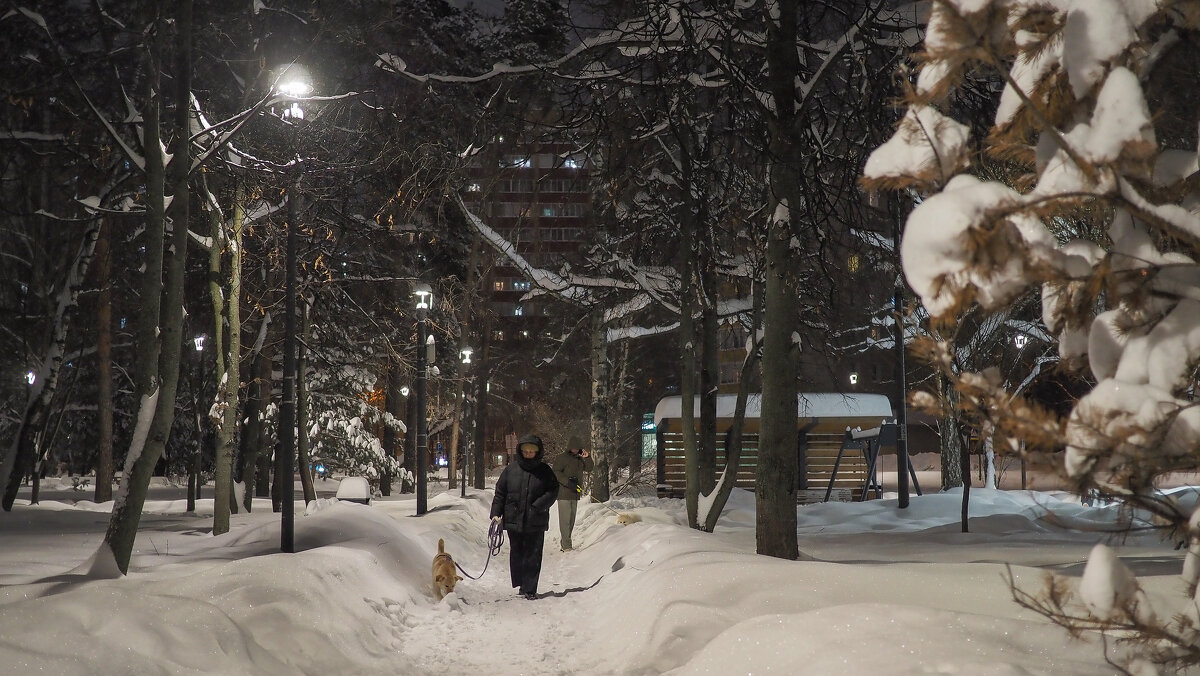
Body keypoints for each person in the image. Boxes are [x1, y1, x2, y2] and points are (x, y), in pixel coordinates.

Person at [491, 433, 558, 600]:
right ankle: (522, 583)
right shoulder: (510, 470)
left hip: (536, 520)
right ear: (520, 451)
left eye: (532, 451)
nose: (528, 454)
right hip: (513, 519)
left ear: (538, 452)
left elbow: (553, 491)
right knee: (517, 554)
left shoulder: (545, 471)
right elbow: (500, 493)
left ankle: (530, 588)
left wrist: (538, 506)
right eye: (525, 451)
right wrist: (495, 513)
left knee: (533, 555)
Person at [551, 435, 594, 551]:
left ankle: (566, 542)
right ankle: (566, 545)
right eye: (573, 448)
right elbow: (555, 472)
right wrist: (567, 482)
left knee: (571, 520)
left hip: (575, 493)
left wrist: (588, 457)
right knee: (564, 521)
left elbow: (590, 468)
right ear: (569, 447)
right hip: (564, 493)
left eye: (577, 448)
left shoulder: (580, 459)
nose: (575, 450)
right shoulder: (561, 458)